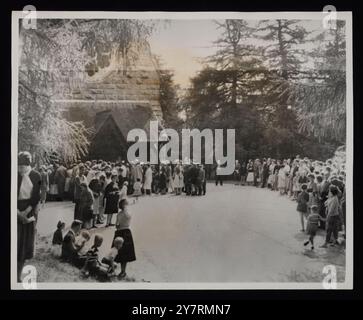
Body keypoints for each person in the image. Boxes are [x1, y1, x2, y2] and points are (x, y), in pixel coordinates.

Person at [17, 151, 41, 282]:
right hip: (15, 210)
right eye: (19, 166)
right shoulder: (15, 174)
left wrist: (25, 213)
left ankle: (18, 274)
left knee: (24, 245)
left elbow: (36, 197)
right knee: (15, 241)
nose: (20, 169)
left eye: (23, 167)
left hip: (29, 210)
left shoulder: (36, 176)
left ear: (28, 165)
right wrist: (17, 213)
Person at [113, 199, 136, 279]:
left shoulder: (119, 214)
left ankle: (116, 269)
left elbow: (116, 225)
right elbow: (129, 220)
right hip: (126, 232)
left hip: (119, 232)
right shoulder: (128, 213)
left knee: (118, 252)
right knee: (125, 253)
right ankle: (123, 271)